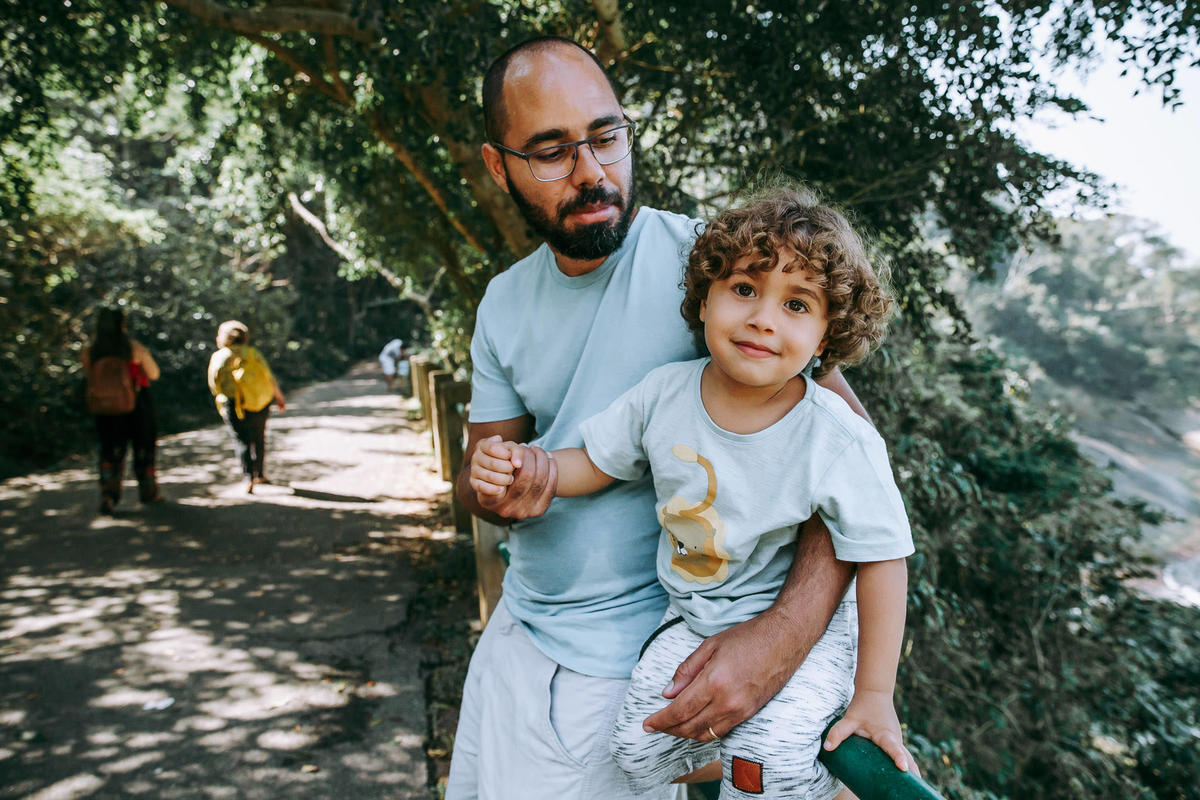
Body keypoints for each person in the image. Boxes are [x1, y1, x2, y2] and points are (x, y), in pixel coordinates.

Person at [447, 38, 914, 800]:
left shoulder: (735, 268)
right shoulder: (504, 302)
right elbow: (480, 476)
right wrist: (501, 481)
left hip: (633, 660)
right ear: (499, 165)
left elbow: (848, 464)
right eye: (552, 151)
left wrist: (783, 635)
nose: (593, 170)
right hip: (517, 630)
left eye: (606, 136)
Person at [82, 307, 162, 515]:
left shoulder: (90, 351)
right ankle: (148, 491)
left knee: (110, 450)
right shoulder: (133, 348)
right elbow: (154, 374)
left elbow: (89, 376)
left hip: (104, 407)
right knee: (143, 446)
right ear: (122, 325)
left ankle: (109, 494)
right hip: (137, 403)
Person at [207, 320, 286, 494]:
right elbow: (269, 376)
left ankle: (248, 478)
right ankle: (260, 474)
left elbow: (214, 385)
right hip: (259, 402)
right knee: (258, 438)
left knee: (241, 439)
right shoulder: (252, 353)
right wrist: (279, 397)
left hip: (233, 403)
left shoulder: (220, 356)